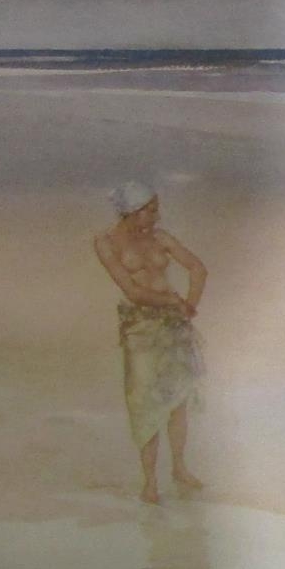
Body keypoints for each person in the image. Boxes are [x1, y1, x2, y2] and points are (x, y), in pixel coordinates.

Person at [93, 180, 208, 504]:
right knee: (145, 403)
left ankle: (179, 467)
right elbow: (132, 291)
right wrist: (173, 301)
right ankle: (149, 482)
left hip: (173, 325)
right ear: (132, 211)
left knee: (178, 399)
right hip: (140, 328)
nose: (157, 216)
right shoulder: (106, 243)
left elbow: (198, 268)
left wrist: (190, 305)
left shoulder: (160, 238)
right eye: (151, 210)